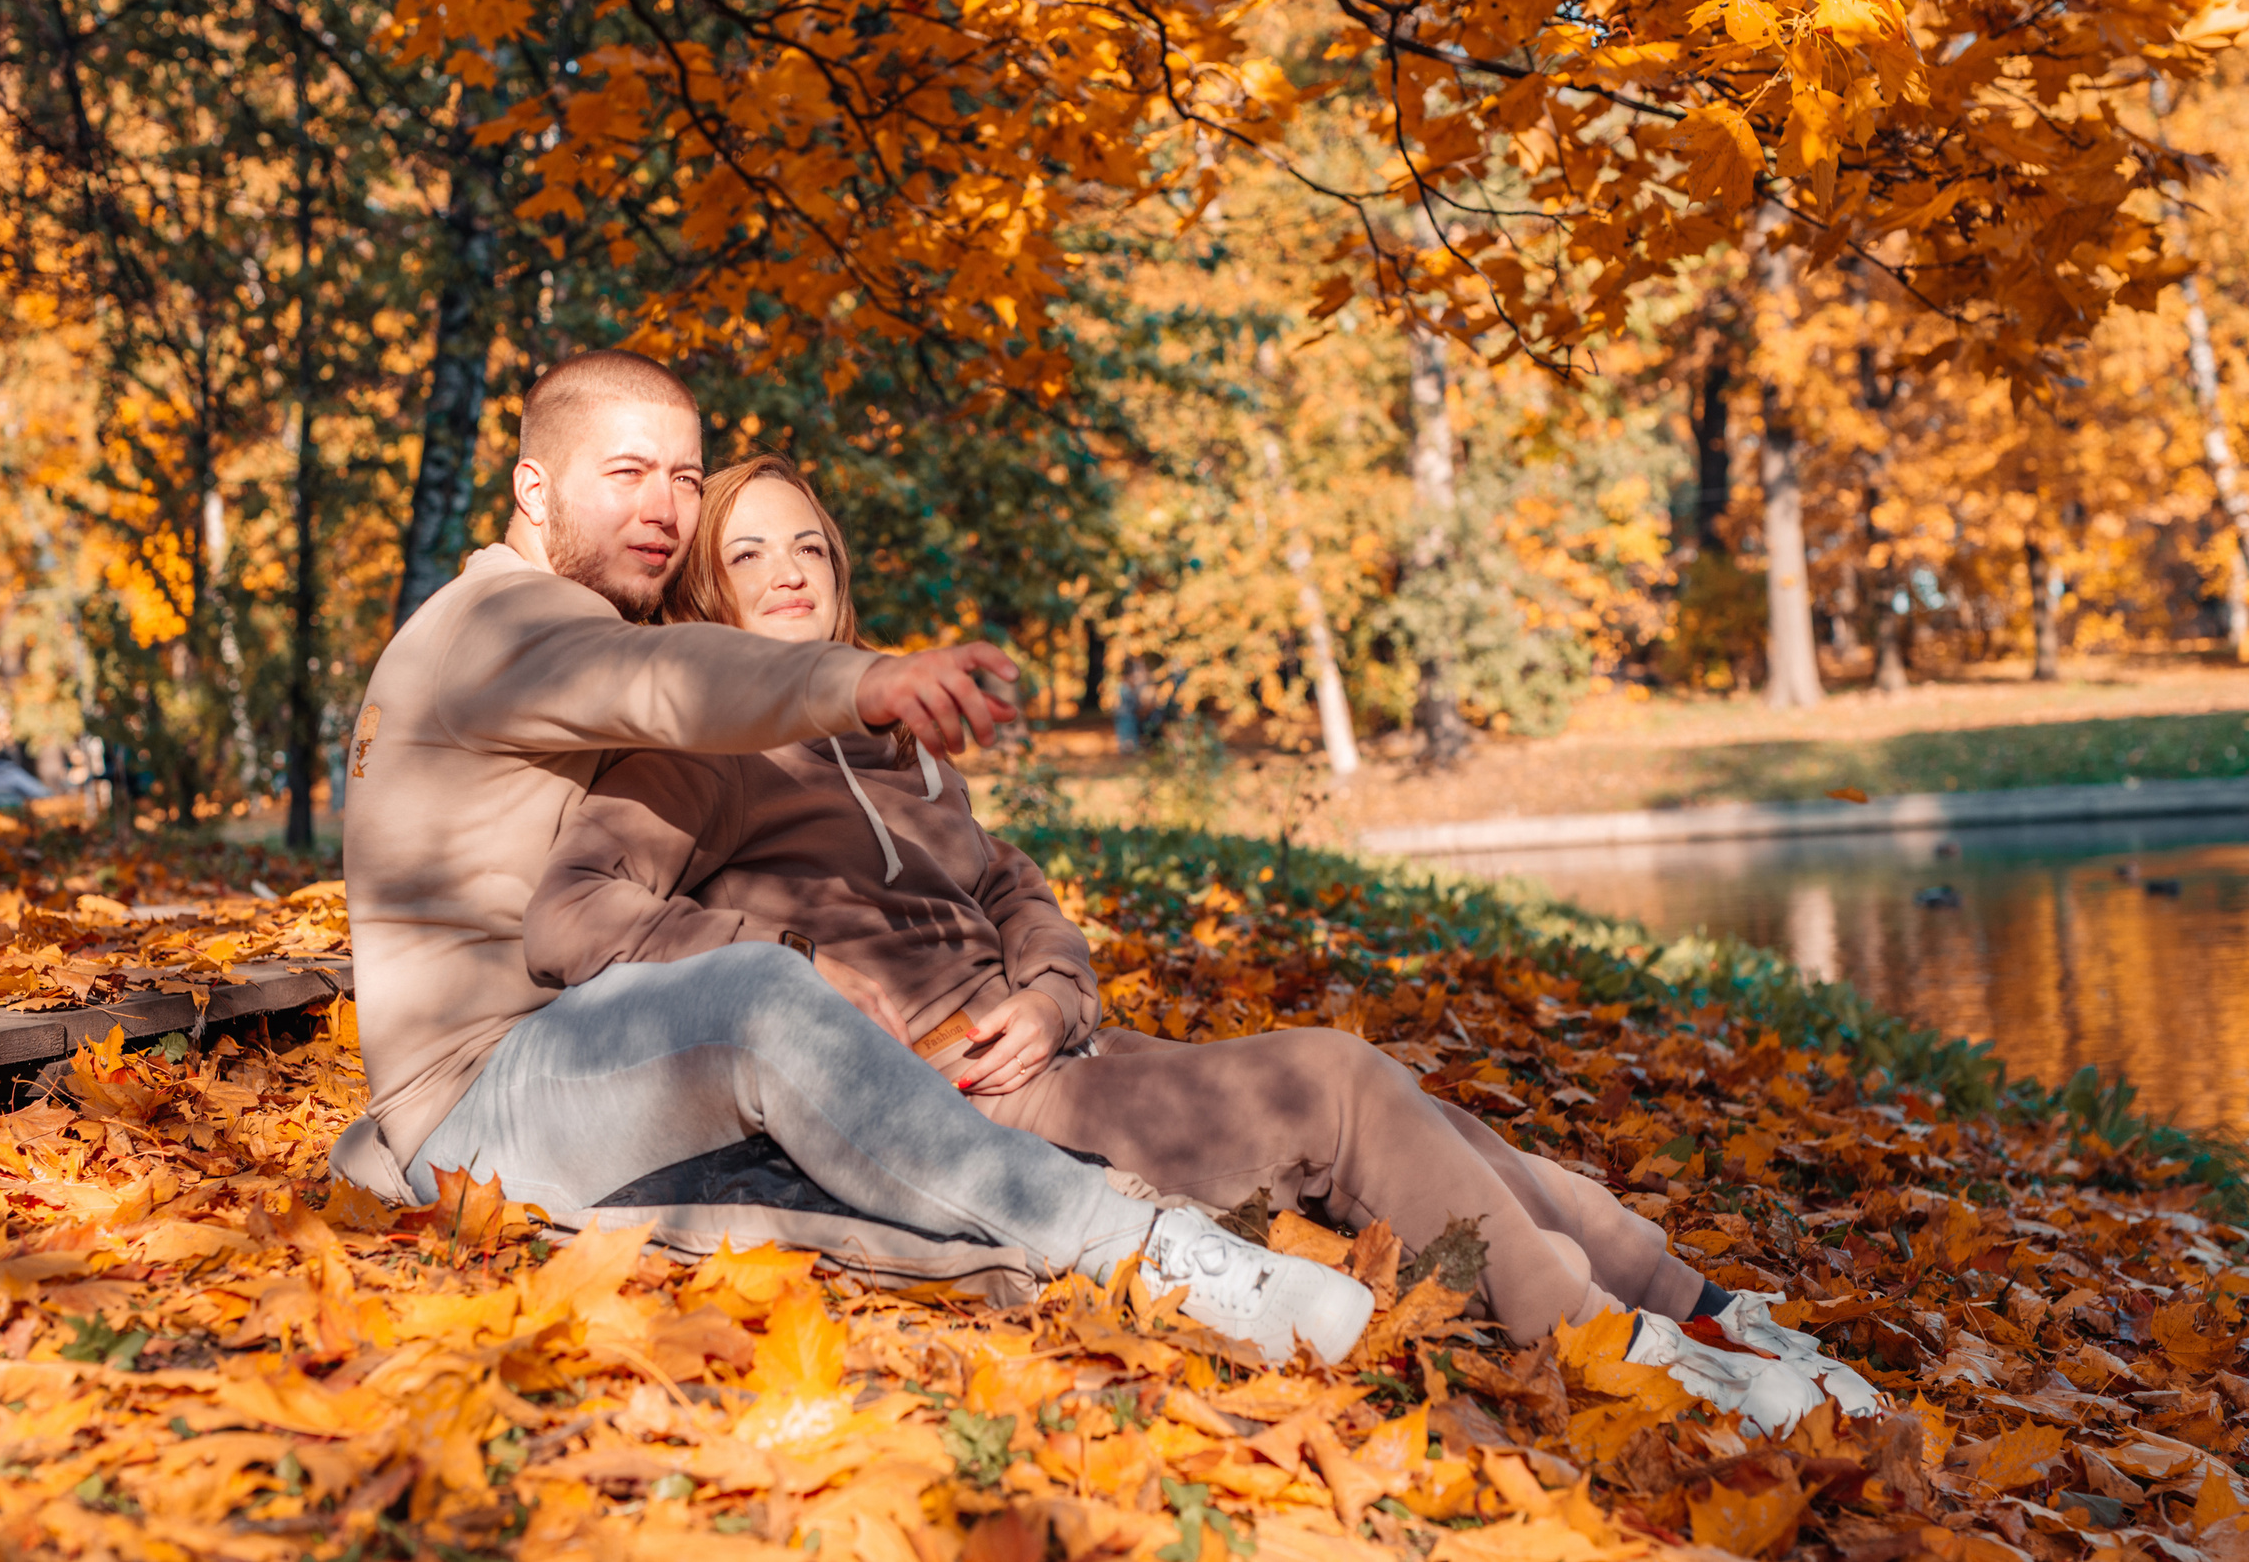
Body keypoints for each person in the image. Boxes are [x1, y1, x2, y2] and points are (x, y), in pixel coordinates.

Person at [522, 456, 1884, 1427]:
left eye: (806, 546)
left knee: (1448, 1133)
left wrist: (1057, 989)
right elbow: (576, 916)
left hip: (1058, 1060)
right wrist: (799, 972)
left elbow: (1014, 888)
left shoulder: (902, 741)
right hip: (968, 1112)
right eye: (745, 553)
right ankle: (1596, 1343)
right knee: (1339, 1083)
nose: (785, 574)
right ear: (703, 593)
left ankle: (1705, 1308)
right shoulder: (698, 749)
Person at [330, 349, 1373, 1366]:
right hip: (479, 1102)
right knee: (757, 994)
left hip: (568, 1052)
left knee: (784, 1026)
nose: (663, 509)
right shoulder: (508, 619)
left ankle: (1129, 1226)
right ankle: (1141, 1247)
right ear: (533, 484)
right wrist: (862, 682)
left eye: (684, 478)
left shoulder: (484, 621)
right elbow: (660, 678)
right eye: (626, 473)